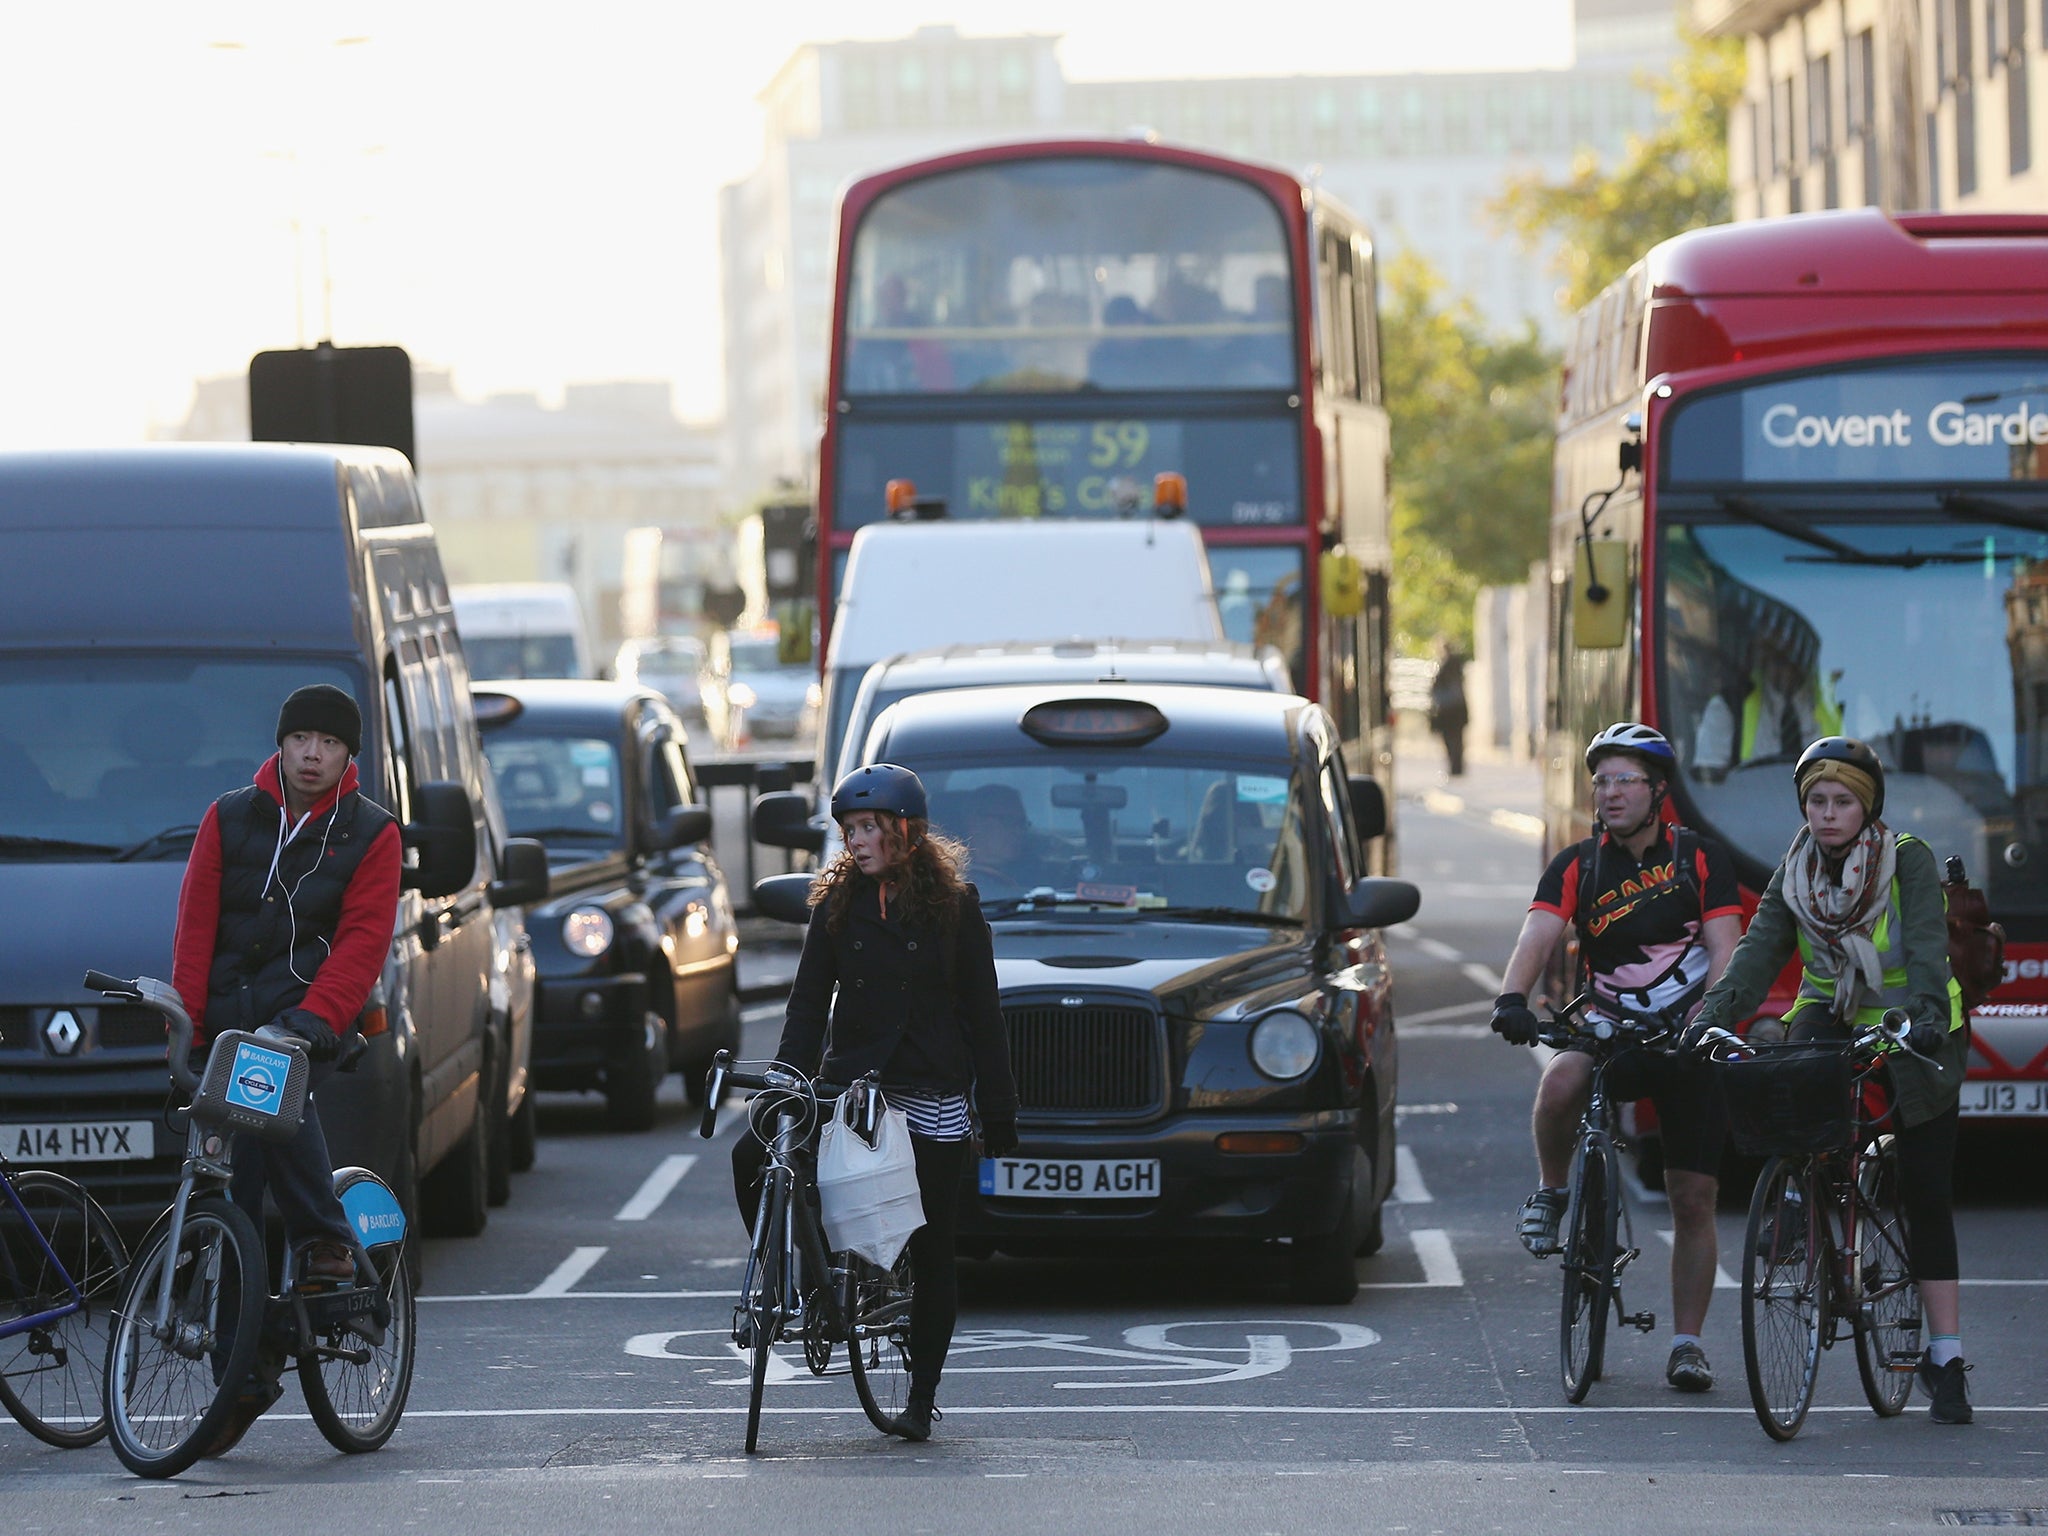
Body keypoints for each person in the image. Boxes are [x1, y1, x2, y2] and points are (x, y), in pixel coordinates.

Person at [1681, 736, 1975, 1424]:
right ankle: (1804, 1197)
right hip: (1834, 1010)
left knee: (1928, 1188)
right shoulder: (1797, 866)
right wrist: (1712, 1015)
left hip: (1919, 1025)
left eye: (1842, 802)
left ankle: (1946, 1356)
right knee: (1789, 1083)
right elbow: (1756, 954)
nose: (1828, 814)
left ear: (1866, 807)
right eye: (1816, 801)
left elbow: (1929, 953)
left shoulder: (1907, 861)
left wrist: (1928, 1019)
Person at [170, 683, 403, 1454]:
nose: (311, 753)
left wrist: (310, 1022)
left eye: (328, 743)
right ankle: (242, 1372)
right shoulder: (229, 815)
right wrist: (194, 1027)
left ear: (348, 756)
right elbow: (197, 927)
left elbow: (365, 940)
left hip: (309, 1023)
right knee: (229, 1194)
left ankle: (330, 1239)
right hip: (230, 1026)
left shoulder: (371, 833)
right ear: (280, 743)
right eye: (299, 737)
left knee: (268, 1093)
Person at [1489, 723, 1742, 1392]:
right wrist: (1512, 997)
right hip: (1608, 1026)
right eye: (1600, 781)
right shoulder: (1579, 863)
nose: (1609, 793)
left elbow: (1725, 948)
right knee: (1560, 1081)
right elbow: (1538, 931)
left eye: (1623, 780)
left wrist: (1709, 1020)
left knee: (1693, 1197)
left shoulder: (1702, 860)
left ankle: (1687, 1344)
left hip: (1685, 1035)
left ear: (1658, 790)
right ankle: (1553, 1193)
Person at [770, 763, 1018, 1442]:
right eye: (850, 829)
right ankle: (823, 1281)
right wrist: (788, 1079)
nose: (856, 841)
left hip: (932, 1086)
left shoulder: (955, 908)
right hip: (854, 1085)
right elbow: (806, 1004)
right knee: (758, 1158)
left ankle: (921, 1396)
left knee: (935, 1247)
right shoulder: (836, 907)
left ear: (906, 834)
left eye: (870, 828)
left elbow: (984, 1014)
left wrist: (998, 1108)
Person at [1429, 640, 1469, 778]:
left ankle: (1455, 767)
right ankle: (1456, 767)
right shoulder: (1456, 666)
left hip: (1449, 711)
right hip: (1457, 710)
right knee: (1457, 740)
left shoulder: (1446, 667)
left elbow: (1436, 690)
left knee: (1452, 740)